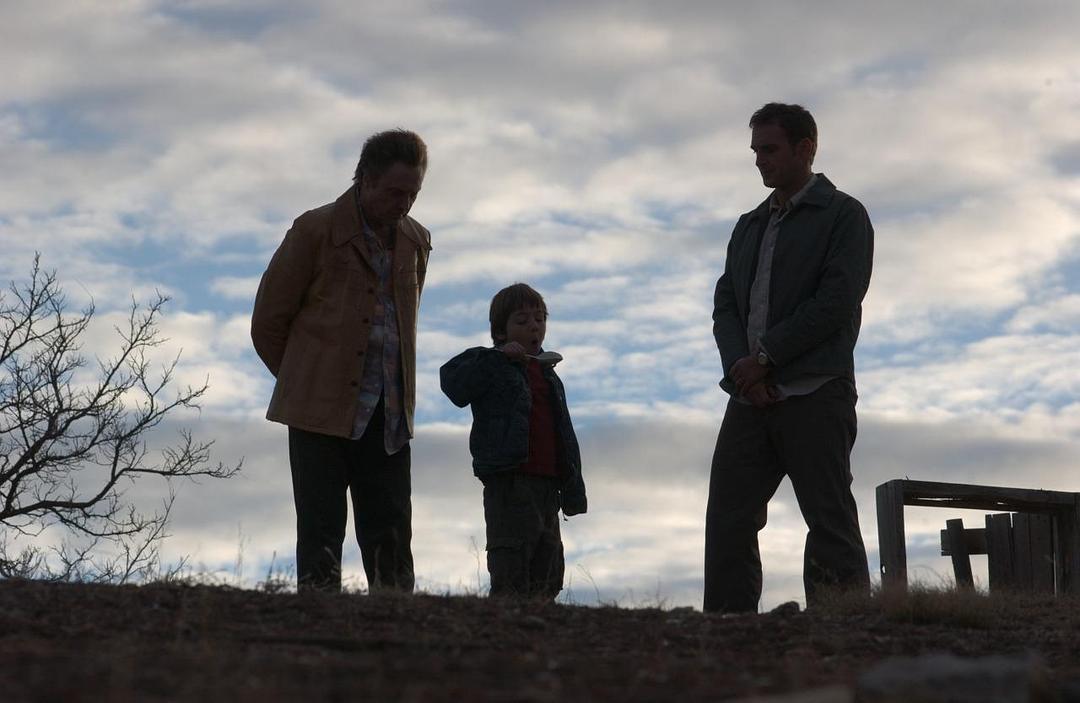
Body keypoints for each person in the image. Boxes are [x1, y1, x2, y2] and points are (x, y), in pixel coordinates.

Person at [704, 103, 874, 613]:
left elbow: (836, 301)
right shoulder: (748, 225)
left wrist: (766, 357)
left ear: (806, 149)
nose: (760, 159)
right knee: (729, 518)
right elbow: (726, 305)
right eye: (756, 150)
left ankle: (842, 628)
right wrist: (743, 372)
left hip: (816, 391)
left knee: (828, 518)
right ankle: (728, 632)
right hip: (750, 399)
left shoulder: (844, 215)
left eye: (770, 149)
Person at [251, 129, 430, 593]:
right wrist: (308, 381)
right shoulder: (314, 230)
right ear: (365, 180)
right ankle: (317, 628)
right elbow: (268, 321)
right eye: (394, 192)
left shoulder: (417, 241)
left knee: (392, 538)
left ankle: (397, 630)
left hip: (389, 415)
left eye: (412, 193)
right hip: (317, 413)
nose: (404, 204)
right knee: (320, 534)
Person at [439, 283, 587, 599]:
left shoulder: (549, 374)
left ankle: (540, 623)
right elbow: (453, 383)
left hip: (549, 487)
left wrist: (573, 489)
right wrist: (497, 359)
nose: (534, 326)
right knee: (511, 564)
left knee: (548, 569)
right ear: (500, 331)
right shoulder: (490, 362)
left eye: (539, 319)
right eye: (522, 320)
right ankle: (504, 624)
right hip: (510, 482)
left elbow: (565, 435)